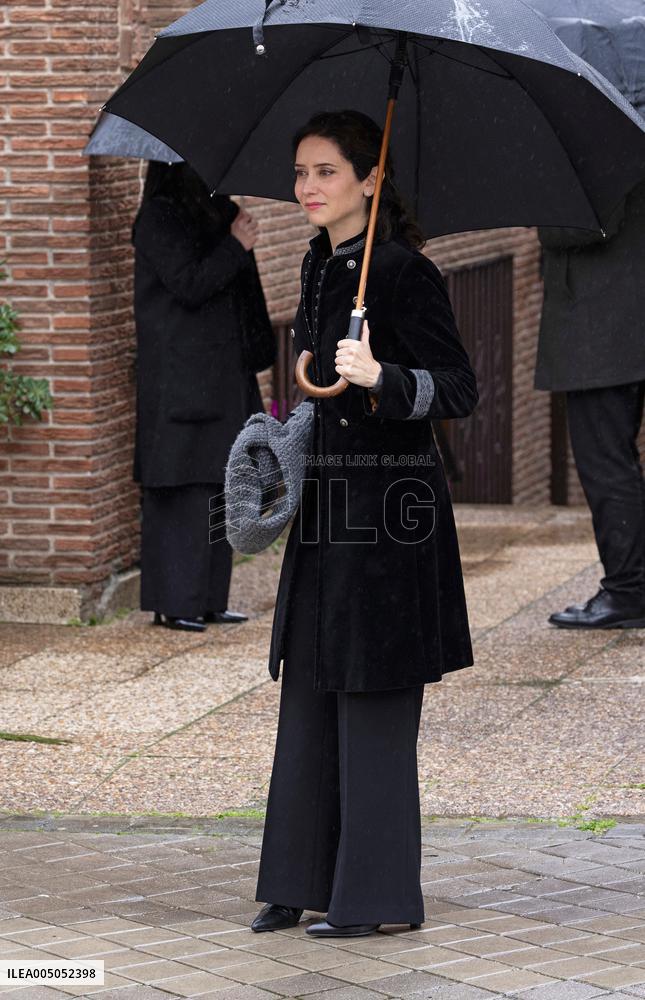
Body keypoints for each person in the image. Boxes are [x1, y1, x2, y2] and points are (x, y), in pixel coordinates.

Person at [251, 110, 478, 938]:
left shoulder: (403, 272)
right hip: (327, 514)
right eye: (301, 173)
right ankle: (296, 878)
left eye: (326, 173)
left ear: (370, 179)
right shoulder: (320, 266)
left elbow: (457, 387)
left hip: (389, 518)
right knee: (310, 687)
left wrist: (383, 375)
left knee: (373, 697)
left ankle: (374, 899)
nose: (307, 188)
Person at [132, 163, 275, 631]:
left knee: (221, 483)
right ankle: (174, 602)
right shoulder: (158, 217)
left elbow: (239, 292)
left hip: (222, 373)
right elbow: (188, 284)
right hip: (179, 377)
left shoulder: (219, 211)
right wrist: (235, 245)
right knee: (181, 488)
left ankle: (209, 599)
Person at [536, 177, 645, 629]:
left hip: (604, 325)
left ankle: (628, 590)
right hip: (622, 318)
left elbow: (584, 226)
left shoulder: (608, 131)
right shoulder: (627, 118)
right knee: (614, 461)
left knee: (606, 463)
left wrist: (537, 210)